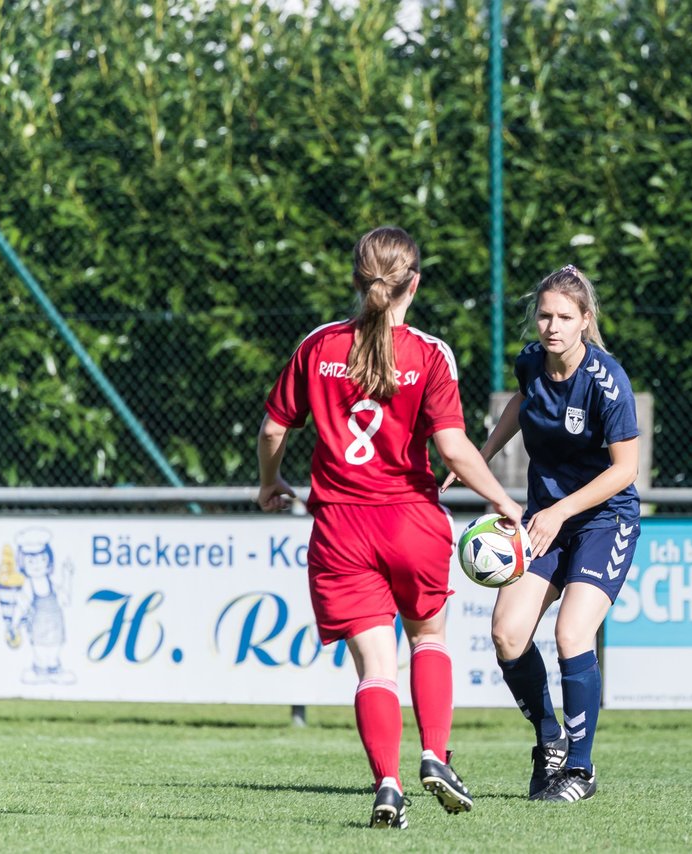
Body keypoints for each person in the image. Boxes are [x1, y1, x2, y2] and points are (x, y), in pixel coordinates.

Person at [257, 226, 522, 830]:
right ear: (414, 282)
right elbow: (453, 449)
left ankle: (388, 784)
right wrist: (502, 499)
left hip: (340, 529)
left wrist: (269, 481)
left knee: (376, 670)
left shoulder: (318, 346)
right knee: (428, 639)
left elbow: (275, 429)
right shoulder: (428, 352)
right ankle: (434, 753)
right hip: (411, 522)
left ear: (358, 278)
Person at [442, 264, 640, 803]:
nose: (552, 326)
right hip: (543, 520)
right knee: (507, 633)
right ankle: (549, 739)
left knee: (572, 635)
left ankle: (580, 771)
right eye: (545, 315)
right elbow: (519, 405)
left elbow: (625, 469)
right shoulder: (531, 362)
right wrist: (478, 457)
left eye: (564, 317)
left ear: (585, 320)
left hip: (604, 519)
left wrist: (559, 512)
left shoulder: (607, 380)